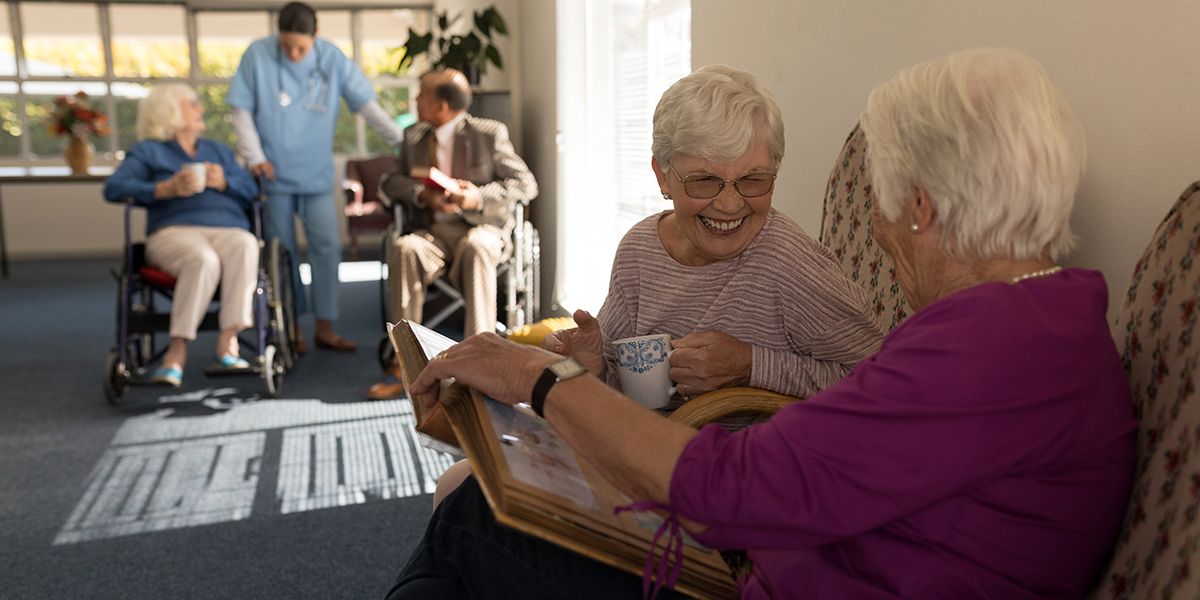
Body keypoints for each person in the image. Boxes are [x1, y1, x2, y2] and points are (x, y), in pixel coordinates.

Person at [386, 49, 1137, 599]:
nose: (874, 227)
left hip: (751, 562)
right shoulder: (1029, 325)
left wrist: (539, 377)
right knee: (482, 514)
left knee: (472, 528)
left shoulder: (994, 349)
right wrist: (583, 374)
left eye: (879, 199)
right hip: (770, 549)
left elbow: (731, 486)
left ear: (922, 207)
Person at [428, 65, 885, 508]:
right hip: (634, 453)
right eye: (704, 180)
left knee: (472, 504)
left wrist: (751, 365)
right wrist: (591, 361)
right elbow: (617, 379)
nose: (730, 204)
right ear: (662, 175)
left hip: (728, 484)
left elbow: (880, 384)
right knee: (459, 483)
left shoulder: (788, 262)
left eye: (753, 180)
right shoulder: (640, 249)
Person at [227, 1, 405, 354]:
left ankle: (325, 326)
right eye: (286, 45)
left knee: (326, 248)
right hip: (272, 173)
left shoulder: (332, 59)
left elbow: (367, 106)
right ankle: (290, 327)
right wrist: (256, 157)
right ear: (277, 36)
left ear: (316, 37)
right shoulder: (257, 55)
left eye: (301, 47)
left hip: (315, 173)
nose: (293, 54)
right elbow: (240, 111)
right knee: (283, 251)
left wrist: (403, 141)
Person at [366, 68, 538, 401]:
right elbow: (390, 182)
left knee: (477, 247)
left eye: (421, 95)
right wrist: (421, 194)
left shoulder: (489, 133)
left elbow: (525, 184)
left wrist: (477, 196)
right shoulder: (413, 137)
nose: (415, 100)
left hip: (481, 229)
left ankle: (480, 368)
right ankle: (407, 367)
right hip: (433, 235)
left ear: (442, 105)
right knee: (404, 248)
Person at [103, 83, 260, 388]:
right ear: (171, 112)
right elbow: (114, 188)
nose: (200, 109)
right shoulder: (149, 151)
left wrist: (225, 182)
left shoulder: (218, 151)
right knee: (202, 260)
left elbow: (252, 191)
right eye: (193, 104)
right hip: (175, 232)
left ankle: (228, 343)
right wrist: (163, 189)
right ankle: (176, 353)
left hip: (228, 229)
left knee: (246, 243)